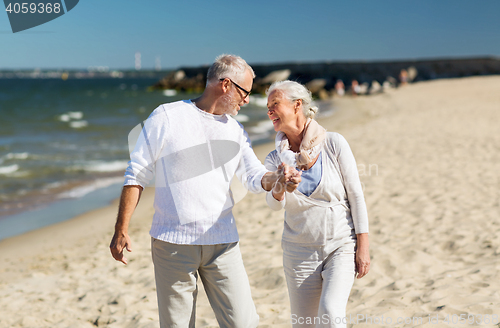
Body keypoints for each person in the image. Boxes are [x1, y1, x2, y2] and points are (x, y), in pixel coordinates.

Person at [109, 54, 299, 328]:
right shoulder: (167, 116)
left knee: (244, 323)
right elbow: (137, 172)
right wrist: (121, 228)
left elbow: (254, 175)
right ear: (225, 85)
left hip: (223, 243)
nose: (246, 100)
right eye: (244, 92)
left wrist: (278, 178)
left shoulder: (235, 130)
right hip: (173, 244)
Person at [264, 80, 370, 328]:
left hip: (341, 246)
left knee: (331, 313)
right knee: (305, 324)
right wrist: (280, 183)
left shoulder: (333, 143)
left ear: (297, 105)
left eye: (274, 104)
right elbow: (274, 205)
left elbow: (356, 195)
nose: (269, 111)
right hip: (299, 254)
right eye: (267, 106)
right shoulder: (274, 159)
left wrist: (363, 246)